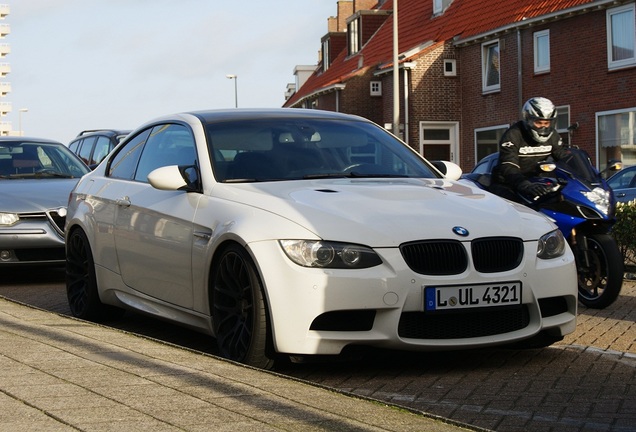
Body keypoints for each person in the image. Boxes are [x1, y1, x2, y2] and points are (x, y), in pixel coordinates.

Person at [491, 97, 569, 202]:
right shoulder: (513, 134)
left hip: (536, 182)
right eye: (539, 123)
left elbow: (564, 157)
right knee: (516, 208)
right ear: (527, 119)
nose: (543, 127)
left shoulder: (553, 136)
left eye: (546, 123)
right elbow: (508, 165)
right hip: (508, 183)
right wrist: (525, 185)